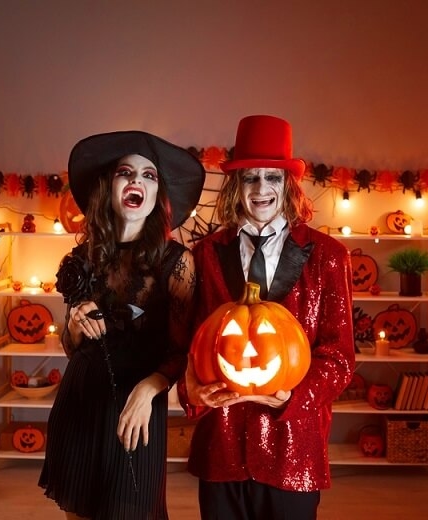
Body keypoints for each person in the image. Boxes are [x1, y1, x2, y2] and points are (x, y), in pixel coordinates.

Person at [178, 115, 356, 520]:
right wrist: (191, 389)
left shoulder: (329, 257)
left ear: (288, 186)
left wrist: (293, 397)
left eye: (272, 178)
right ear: (236, 186)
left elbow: (339, 356)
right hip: (221, 445)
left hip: (292, 448)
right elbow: (189, 343)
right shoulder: (204, 255)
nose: (261, 190)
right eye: (250, 179)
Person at [39, 131, 205, 519]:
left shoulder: (177, 263)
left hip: (138, 411)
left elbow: (182, 352)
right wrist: (76, 327)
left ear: (157, 194)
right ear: (109, 187)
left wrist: (149, 390)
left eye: (149, 175)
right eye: (125, 173)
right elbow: (71, 346)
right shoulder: (81, 259)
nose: (136, 181)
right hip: (80, 404)